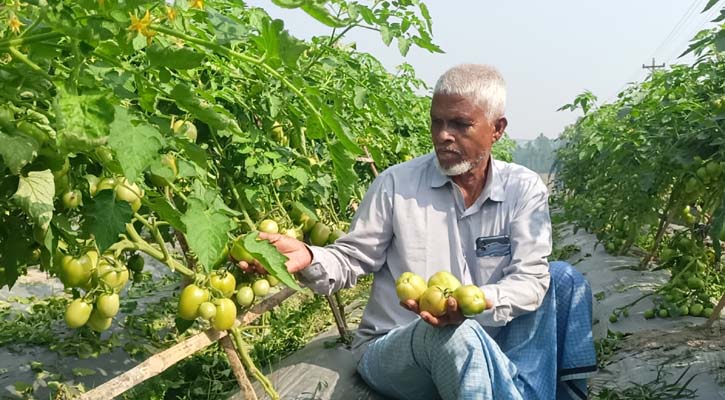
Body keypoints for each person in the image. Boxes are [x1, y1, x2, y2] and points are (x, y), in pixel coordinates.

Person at [239, 64, 596, 400]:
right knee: (454, 334)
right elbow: (352, 257)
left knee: (560, 280)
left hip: (489, 335)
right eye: (437, 122)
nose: (443, 136)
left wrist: (478, 302)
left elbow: (531, 281)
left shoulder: (522, 188)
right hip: (397, 346)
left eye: (460, 124)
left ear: (497, 129)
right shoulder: (397, 184)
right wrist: (309, 257)